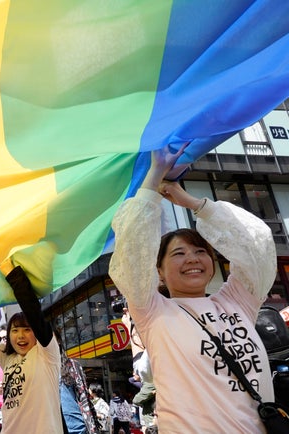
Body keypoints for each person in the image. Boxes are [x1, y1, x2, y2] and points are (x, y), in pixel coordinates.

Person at [108, 145, 276, 433]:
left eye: (199, 251)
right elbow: (133, 246)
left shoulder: (237, 300)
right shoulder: (152, 311)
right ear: (158, 272)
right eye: (178, 254)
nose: (192, 259)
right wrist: (154, 174)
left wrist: (193, 203)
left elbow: (257, 244)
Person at [0, 265, 63, 434]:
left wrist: (12, 273)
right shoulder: (7, 358)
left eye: (27, 329)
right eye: (15, 330)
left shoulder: (47, 354)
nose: (20, 336)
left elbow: (33, 311)